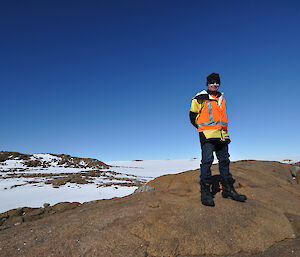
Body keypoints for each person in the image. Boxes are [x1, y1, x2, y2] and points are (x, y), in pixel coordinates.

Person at [189, 73, 247, 206]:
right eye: (212, 82)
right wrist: (201, 129)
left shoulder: (222, 98)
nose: (214, 85)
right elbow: (192, 116)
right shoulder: (200, 98)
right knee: (207, 161)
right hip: (208, 136)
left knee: (225, 161)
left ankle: (228, 190)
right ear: (207, 84)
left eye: (217, 82)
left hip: (222, 135)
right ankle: (205, 193)